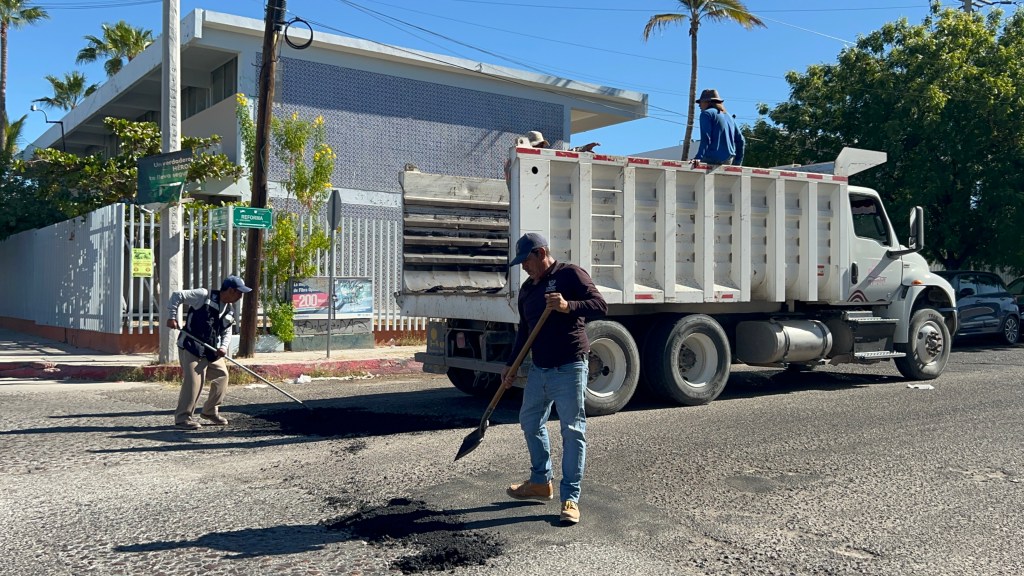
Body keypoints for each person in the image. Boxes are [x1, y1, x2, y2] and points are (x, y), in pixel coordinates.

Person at [501, 232, 607, 525]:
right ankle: (540, 482)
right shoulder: (527, 290)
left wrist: (566, 306)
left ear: (541, 252)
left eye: (526, 260)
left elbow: (600, 305)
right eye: (520, 262)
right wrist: (512, 365)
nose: (523, 266)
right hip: (539, 368)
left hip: (570, 366)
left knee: (572, 431)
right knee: (530, 421)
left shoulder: (569, 274)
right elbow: (525, 330)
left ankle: (570, 498)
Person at [164, 275, 251, 430]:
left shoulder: (229, 310)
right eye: (239, 292)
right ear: (230, 290)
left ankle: (210, 411)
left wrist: (223, 347)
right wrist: (171, 316)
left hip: (210, 349)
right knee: (194, 381)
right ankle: (182, 418)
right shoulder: (203, 295)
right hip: (191, 346)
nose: (240, 296)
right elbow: (178, 296)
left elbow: (227, 332)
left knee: (222, 375)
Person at [690, 89, 745, 168]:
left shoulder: (706, 114)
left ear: (708, 102)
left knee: (690, 171)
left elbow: (706, 138)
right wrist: (737, 163)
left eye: (701, 102)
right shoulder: (729, 117)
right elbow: (741, 140)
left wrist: (698, 157)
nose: (699, 105)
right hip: (728, 160)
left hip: (712, 158)